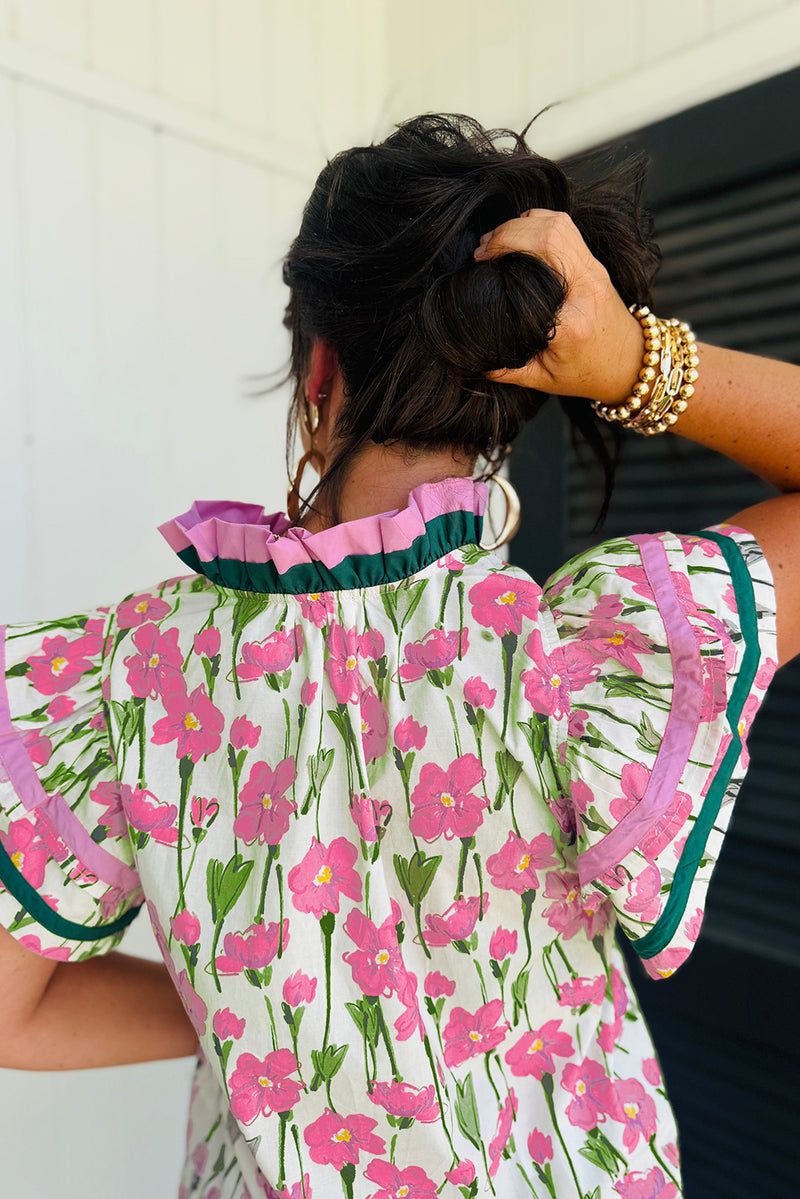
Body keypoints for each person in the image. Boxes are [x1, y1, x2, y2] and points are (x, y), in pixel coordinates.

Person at [0, 113, 797, 1199]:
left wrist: (257, 1018)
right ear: (518, 382)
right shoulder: (585, 652)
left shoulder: (111, 683)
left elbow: (15, 1015)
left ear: (317, 366)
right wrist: (634, 362)